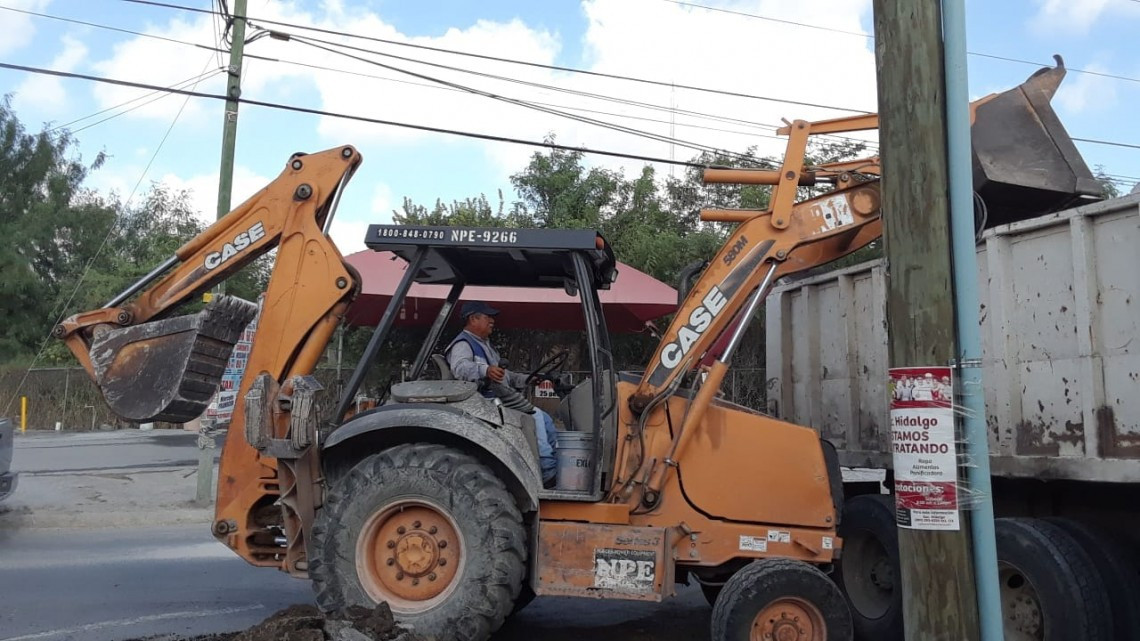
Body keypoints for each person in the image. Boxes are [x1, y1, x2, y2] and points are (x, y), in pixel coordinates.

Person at [446, 301, 559, 488]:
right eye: (487, 316)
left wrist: (528, 379)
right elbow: (460, 368)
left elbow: (505, 375)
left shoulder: (485, 346)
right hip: (483, 401)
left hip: (497, 399)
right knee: (534, 416)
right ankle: (546, 469)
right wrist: (485, 370)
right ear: (473, 318)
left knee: (545, 418)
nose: (492, 320)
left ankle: (553, 464)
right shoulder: (463, 344)